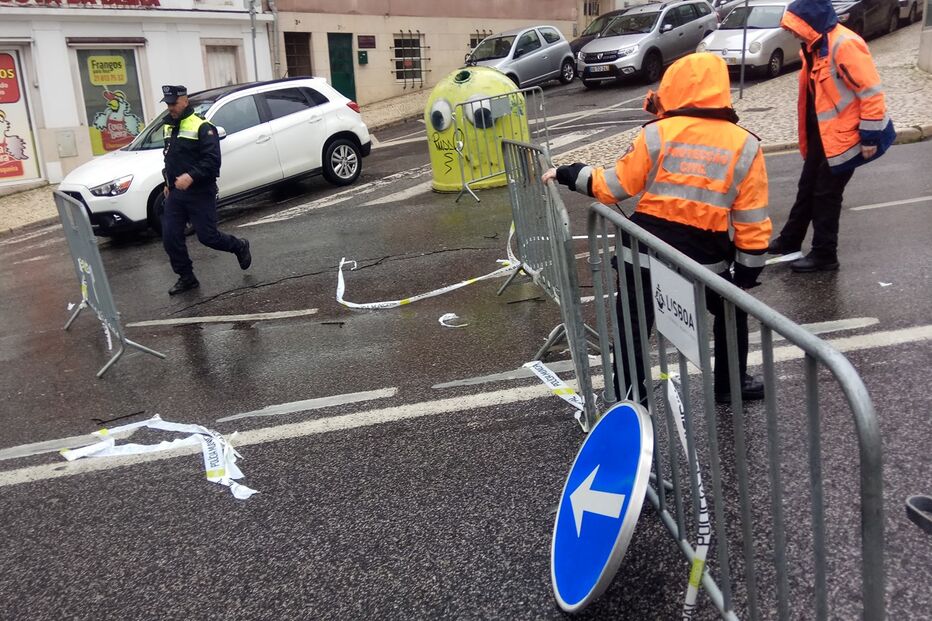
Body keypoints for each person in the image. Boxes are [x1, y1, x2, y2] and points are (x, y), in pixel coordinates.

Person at [543, 53, 772, 404]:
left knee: (633, 325)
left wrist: (568, 173)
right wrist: (748, 269)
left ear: (674, 87)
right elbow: (751, 217)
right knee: (730, 311)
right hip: (704, 259)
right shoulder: (746, 144)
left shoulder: (657, 134)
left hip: (645, 250)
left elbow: (613, 187)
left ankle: (629, 398)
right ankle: (730, 383)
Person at [767, 0, 894, 272]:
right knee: (807, 187)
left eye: (795, 27)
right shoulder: (814, 47)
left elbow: (870, 92)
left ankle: (825, 254)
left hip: (847, 136)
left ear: (808, 22)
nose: (792, 33)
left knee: (826, 194)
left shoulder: (844, 44)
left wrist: (870, 137)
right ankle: (790, 240)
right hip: (824, 134)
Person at [160, 84, 251, 295]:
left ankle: (239, 246)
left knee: (207, 236)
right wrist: (168, 182)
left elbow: (212, 161)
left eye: (173, 103)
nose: (170, 108)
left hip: (201, 191)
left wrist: (191, 176)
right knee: (170, 236)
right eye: (168, 104)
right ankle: (186, 277)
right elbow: (169, 158)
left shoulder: (203, 127)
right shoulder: (168, 126)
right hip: (176, 192)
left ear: (185, 101)